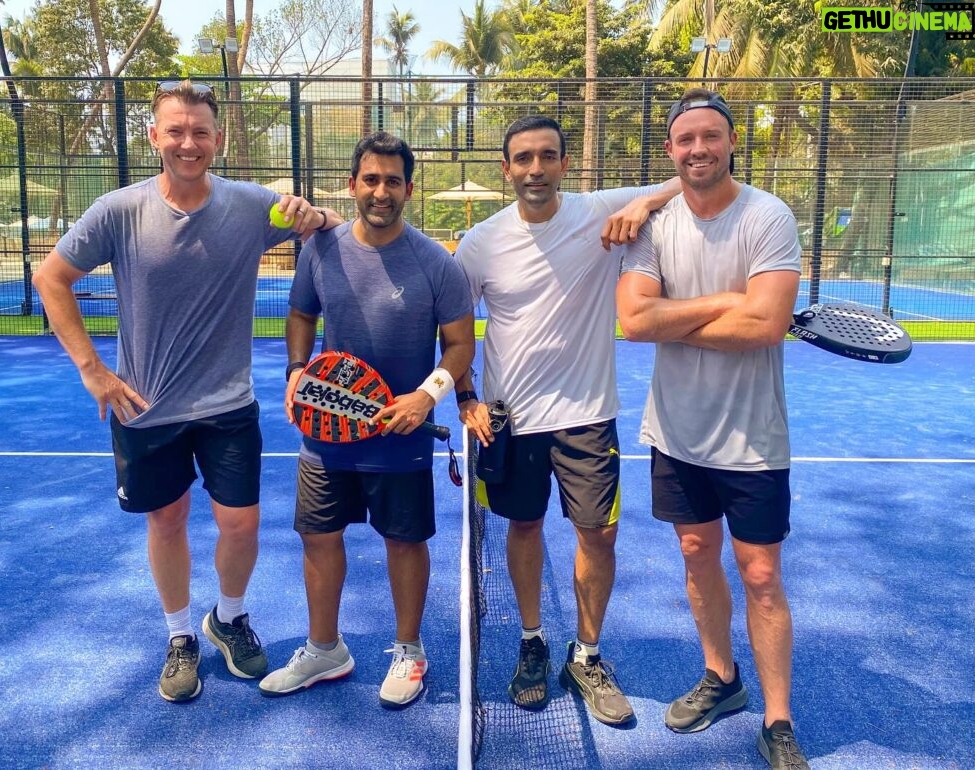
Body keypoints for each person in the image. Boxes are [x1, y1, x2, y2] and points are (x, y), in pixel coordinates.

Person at [33, 79, 342, 703]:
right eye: (175, 130)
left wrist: (316, 212)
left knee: (241, 525)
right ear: (154, 137)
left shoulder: (253, 206)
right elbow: (51, 276)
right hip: (145, 408)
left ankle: (227, 620)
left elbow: (328, 225)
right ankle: (180, 638)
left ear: (218, 139)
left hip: (228, 406)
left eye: (200, 131)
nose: (188, 142)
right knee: (167, 521)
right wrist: (93, 369)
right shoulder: (118, 210)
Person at [451, 115, 679, 726]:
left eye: (546, 156)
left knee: (598, 535)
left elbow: (687, 178)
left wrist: (644, 206)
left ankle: (587, 653)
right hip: (507, 420)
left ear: (564, 163)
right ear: (506, 168)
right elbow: (451, 327)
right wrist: (465, 399)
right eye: (522, 158)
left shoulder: (596, 210)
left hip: (587, 416)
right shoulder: (480, 243)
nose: (535, 169)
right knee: (521, 529)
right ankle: (532, 642)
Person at [615, 88, 809, 769]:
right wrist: (731, 300)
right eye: (685, 139)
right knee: (697, 555)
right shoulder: (652, 224)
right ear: (671, 151)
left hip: (754, 437)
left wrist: (687, 315)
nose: (698, 148)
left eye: (710, 136)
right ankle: (721, 678)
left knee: (760, 575)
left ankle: (778, 720)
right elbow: (634, 322)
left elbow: (766, 325)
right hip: (675, 433)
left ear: (730, 143)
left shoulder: (768, 216)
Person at [258, 131, 475, 709]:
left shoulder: (436, 263)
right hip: (325, 434)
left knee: (405, 541)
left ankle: (409, 650)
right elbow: (302, 314)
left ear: (409, 188)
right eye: (370, 180)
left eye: (392, 182)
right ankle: (325, 648)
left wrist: (426, 397)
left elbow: (459, 348)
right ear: (352, 185)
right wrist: (296, 371)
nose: (381, 192)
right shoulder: (320, 249)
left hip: (400, 437)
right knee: (318, 535)